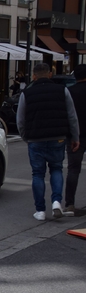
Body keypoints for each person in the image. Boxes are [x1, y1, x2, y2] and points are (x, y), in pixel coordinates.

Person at [16, 62, 80, 221]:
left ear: (33, 76)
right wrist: (75, 137)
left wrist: (26, 137)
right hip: (57, 137)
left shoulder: (26, 94)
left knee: (38, 174)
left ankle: (40, 210)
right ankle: (57, 202)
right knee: (57, 169)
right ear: (50, 74)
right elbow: (72, 116)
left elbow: (20, 120)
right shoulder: (62, 90)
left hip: (36, 139)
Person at [64, 64, 86, 215]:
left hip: (75, 135)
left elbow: (67, 116)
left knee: (73, 169)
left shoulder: (69, 92)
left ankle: (70, 204)